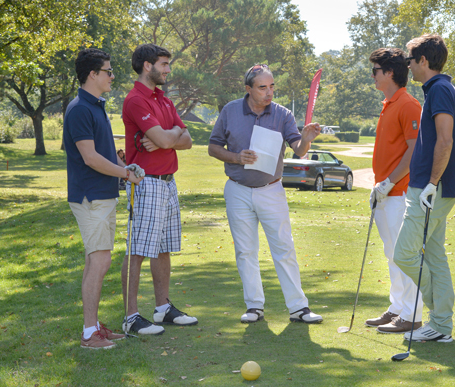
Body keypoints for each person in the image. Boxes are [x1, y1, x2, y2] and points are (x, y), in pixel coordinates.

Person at [208, 64, 323, 324]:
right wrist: (236, 157)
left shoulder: (283, 114)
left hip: (271, 190)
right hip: (237, 190)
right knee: (245, 251)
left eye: (272, 86)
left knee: (284, 248)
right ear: (248, 89)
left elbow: (299, 150)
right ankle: (254, 306)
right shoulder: (230, 111)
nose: (269, 92)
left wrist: (306, 139)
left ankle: (298, 308)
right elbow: (213, 147)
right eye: (263, 87)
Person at [394, 34, 455, 342]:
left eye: (409, 60)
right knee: (433, 256)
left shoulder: (440, 91)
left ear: (423, 62)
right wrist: (451, 170)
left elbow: (447, 140)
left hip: (429, 191)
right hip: (438, 188)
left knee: (404, 254)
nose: (408, 66)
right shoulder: (446, 89)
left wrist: (433, 182)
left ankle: (439, 319)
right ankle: (442, 325)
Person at [63, 48, 143, 349]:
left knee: (95, 260)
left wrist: (123, 167)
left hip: (101, 194)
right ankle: (88, 334)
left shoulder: (95, 105)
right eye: (108, 71)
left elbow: (102, 155)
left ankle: (94, 325)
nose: (112, 76)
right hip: (90, 196)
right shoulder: (81, 109)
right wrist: (124, 175)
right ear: (92, 74)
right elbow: (91, 158)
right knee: (100, 260)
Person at [121, 44, 196, 335]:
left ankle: (163, 308)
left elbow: (186, 140)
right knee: (138, 250)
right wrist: (171, 136)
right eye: (164, 64)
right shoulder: (135, 100)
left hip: (167, 182)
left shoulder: (163, 99)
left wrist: (171, 136)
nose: (168, 70)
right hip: (145, 182)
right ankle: (131, 316)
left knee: (163, 249)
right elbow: (168, 140)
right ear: (147, 66)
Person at [364, 48, 424, 334]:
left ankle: (412, 315)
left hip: (400, 194)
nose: (372, 76)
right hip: (386, 193)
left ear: (389, 73)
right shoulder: (388, 103)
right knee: (392, 254)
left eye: (375, 71)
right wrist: (380, 186)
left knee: (405, 255)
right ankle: (398, 308)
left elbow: (414, 151)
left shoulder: (408, 104)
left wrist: (388, 182)